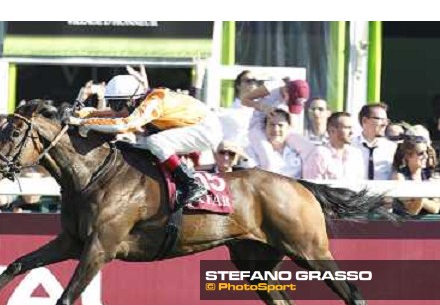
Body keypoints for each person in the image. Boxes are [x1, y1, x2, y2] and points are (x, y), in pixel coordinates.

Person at [70, 74, 224, 208]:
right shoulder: (139, 101)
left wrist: (86, 122)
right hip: (192, 126)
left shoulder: (154, 101)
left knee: (156, 142)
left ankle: (191, 183)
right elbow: (116, 115)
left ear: (133, 100)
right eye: (111, 103)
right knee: (133, 146)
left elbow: (126, 124)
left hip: (206, 128)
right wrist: (86, 114)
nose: (115, 109)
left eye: (117, 104)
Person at [242, 77, 310, 169]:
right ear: (286, 90)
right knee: (269, 161)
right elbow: (244, 100)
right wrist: (262, 107)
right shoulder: (272, 87)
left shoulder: (296, 98)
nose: (287, 103)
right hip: (258, 126)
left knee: (306, 147)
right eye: (290, 101)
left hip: (278, 125)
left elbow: (293, 117)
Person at [242, 108, 314, 178]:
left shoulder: (299, 152)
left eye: (280, 125)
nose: (276, 129)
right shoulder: (252, 152)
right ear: (265, 127)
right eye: (272, 124)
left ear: (288, 128)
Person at [302, 112, 365, 180]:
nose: (352, 132)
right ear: (332, 130)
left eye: (352, 128)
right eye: (347, 128)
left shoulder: (356, 154)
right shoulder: (319, 154)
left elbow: (360, 183)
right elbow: (311, 185)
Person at [391, 137, 440, 216]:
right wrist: (424, 199)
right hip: (405, 224)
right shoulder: (399, 176)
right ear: (407, 156)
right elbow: (412, 210)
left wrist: (418, 198)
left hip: (431, 224)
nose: (426, 156)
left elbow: (436, 208)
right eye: (421, 153)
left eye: (427, 152)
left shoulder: (432, 175)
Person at [353, 102, 397, 180]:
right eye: (381, 119)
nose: (385, 124)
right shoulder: (351, 146)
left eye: (386, 120)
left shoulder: (392, 148)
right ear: (365, 120)